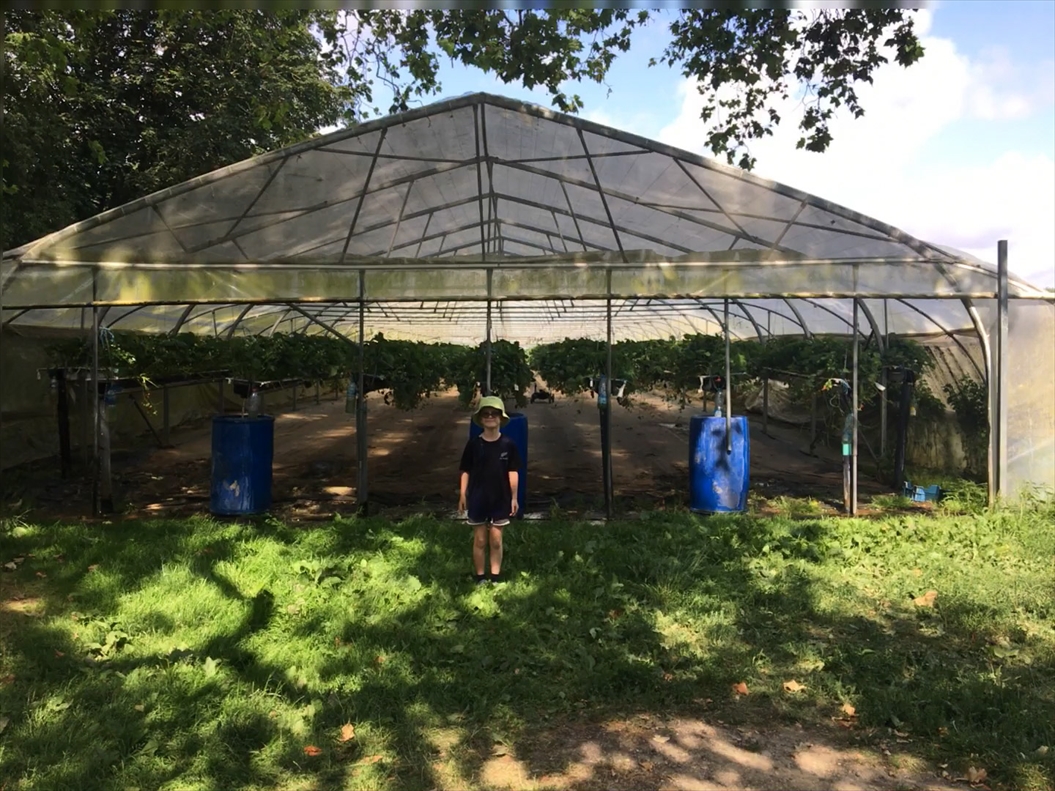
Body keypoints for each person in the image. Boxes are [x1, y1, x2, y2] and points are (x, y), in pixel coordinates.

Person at [458, 396, 521, 585]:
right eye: (486, 414)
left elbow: (513, 472)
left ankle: (495, 578)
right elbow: (465, 470)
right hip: (478, 498)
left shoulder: (508, 444)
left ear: (501, 418)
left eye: (494, 413)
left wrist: (514, 498)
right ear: (480, 418)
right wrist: (462, 494)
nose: (490, 417)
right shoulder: (474, 444)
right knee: (479, 540)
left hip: (500, 499)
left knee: (495, 540)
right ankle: (480, 577)